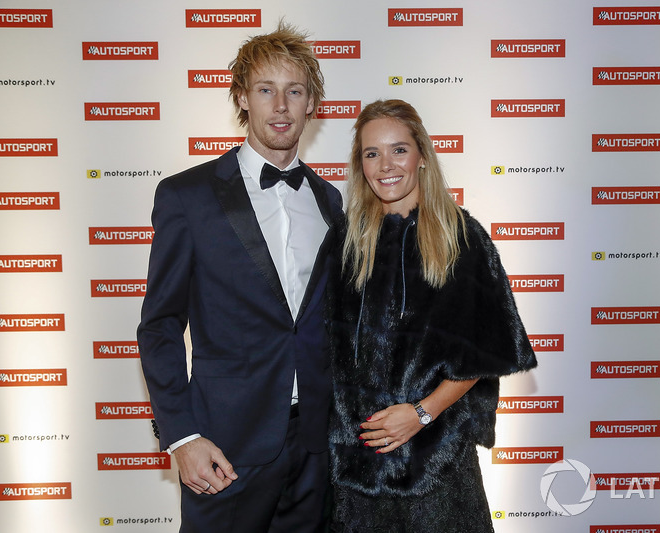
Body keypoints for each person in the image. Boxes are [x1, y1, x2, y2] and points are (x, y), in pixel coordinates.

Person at [137, 22, 343, 533]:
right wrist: (182, 437)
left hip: (315, 445)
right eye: (265, 90)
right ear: (241, 99)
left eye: (294, 92)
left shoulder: (329, 200)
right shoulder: (188, 196)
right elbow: (159, 326)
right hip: (224, 447)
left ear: (311, 104)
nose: (280, 106)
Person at [326, 99, 537, 532]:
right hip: (357, 471)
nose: (386, 165)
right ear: (360, 164)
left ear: (421, 155)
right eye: (371, 153)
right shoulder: (345, 242)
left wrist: (420, 413)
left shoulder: (462, 237)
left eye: (398, 149)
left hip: (438, 467)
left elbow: (486, 351)